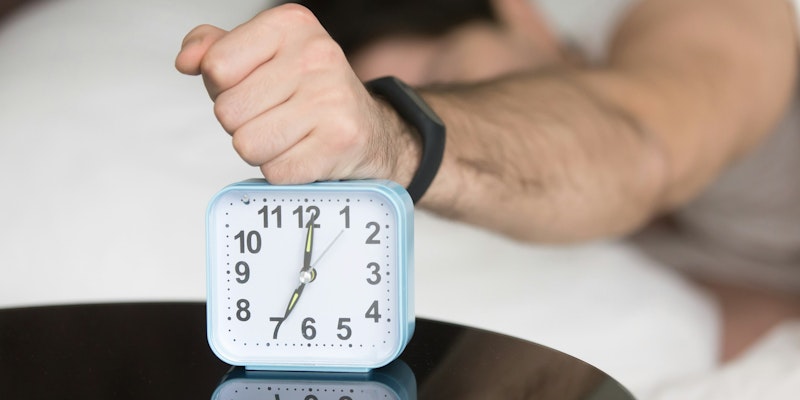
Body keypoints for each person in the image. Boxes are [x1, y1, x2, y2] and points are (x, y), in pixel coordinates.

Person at [175, 0, 799, 361]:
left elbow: (638, 143)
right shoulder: (616, 246)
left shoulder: (713, 21)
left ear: (522, 18)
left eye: (452, 78)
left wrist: (397, 134)